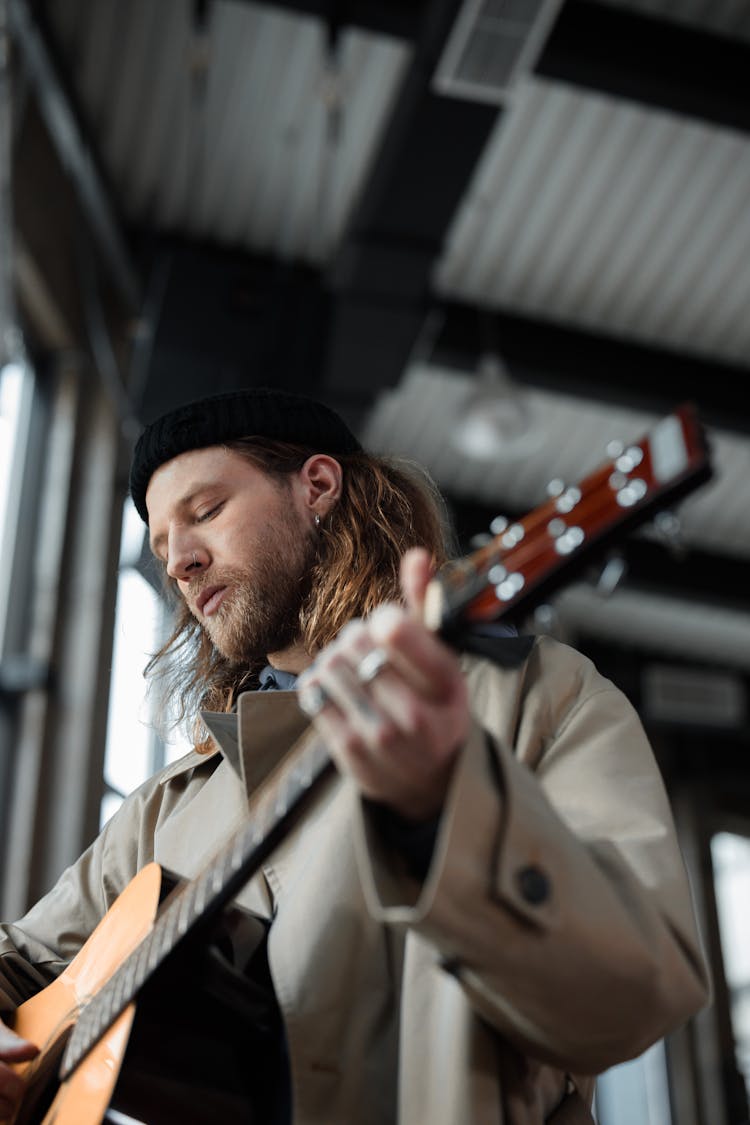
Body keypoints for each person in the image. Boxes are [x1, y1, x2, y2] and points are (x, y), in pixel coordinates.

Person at [0, 387, 709, 1124]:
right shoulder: (165, 808)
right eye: (159, 544)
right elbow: (19, 961)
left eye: (204, 511)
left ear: (317, 486)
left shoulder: (538, 695)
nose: (178, 561)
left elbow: (633, 994)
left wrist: (444, 816)